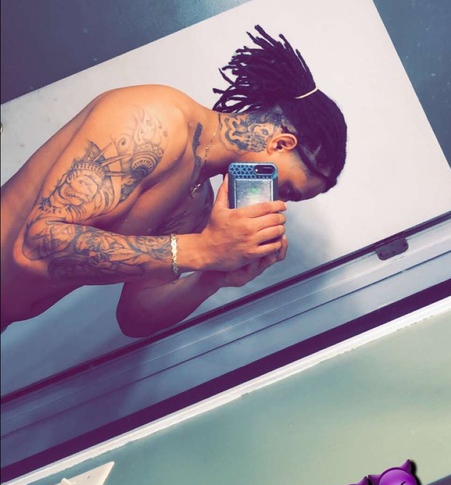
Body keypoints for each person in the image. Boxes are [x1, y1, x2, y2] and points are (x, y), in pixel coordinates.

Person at [0, 26, 348, 338]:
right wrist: (203, 249)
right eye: (285, 190)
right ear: (281, 144)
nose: (276, 202)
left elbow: (134, 318)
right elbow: (34, 247)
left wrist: (212, 275)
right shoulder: (155, 122)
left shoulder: (198, 203)